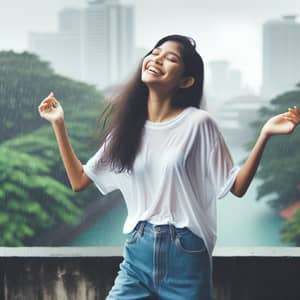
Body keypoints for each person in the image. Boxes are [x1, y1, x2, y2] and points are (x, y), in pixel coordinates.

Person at [38, 34, 300, 300]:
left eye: (171, 58)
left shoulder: (198, 124)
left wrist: (265, 134)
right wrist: (58, 124)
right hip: (137, 252)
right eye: (155, 52)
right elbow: (79, 180)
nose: (157, 58)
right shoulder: (127, 131)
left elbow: (237, 186)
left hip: (185, 255)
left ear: (186, 81)